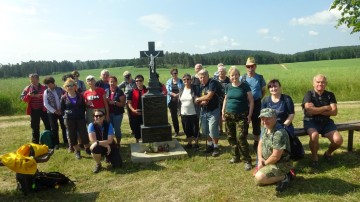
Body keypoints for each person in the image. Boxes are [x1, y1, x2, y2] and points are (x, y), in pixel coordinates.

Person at [302, 74, 343, 168]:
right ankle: (314, 157)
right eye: (318, 82)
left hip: (326, 122)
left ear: (326, 84)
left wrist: (316, 110)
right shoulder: (309, 94)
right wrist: (325, 108)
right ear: (313, 83)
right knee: (314, 135)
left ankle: (328, 153)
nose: (320, 84)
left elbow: (334, 112)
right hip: (311, 121)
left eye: (323, 82)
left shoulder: (330, 95)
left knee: (338, 140)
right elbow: (309, 110)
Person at [222, 66, 254, 170]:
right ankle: (235, 156)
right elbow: (225, 99)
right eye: (232, 75)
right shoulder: (227, 86)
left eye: (236, 74)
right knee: (230, 136)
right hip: (229, 115)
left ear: (239, 75)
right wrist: (223, 111)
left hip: (242, 116)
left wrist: (249, 114)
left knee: (241, 137)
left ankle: (247, 160)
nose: (234, 77)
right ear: (229, 76)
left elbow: (251, 101)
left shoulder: (245, 86)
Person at [254, 108, 293, 192]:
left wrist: (264, 164)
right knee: (258, 176)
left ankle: (286, 176)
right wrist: (260, 159)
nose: (264, 121)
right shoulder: (265, 128)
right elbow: (260, 144)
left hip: (280, 163)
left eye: (268, 118)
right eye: (262, 119)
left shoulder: (279, 133)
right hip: (267, 161)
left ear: (275, 118)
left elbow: (276, 157)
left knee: (259, 178)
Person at [60, 78, 90, 160]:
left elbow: (84, 107)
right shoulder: (63, 98)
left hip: (80, 118)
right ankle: (77, 151)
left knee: (83, 134)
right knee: (72, 135)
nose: (70, 87)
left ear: (75, 86)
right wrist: (66, 114)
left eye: (72, 85)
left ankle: (87, 148)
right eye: (68, 86)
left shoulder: (80, 96)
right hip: (69, 119)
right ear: (65, 87)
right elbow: (62, 110)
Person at [241, 57, 266, 152]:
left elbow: (263, 90)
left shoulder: (260, 78)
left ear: (255, 66)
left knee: (256, 123)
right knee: (244, 124)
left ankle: (256, 143)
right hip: (245, 104)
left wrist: (258, 97)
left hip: (256, 103)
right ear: (246, 67)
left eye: (252, 66)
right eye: (248, 66)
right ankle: (245, 143)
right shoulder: (242, 78)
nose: (250, 69)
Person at [195, 69, 222, 157]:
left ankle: (216, 147)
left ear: (208, 76)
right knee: (205, 129)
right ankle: (210, 145)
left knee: (213, 129)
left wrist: (199, 99)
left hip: (214, 110)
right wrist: (201, 101)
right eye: (200, 77)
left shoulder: (212, 82)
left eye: (204, 77)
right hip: (204, 110)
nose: (202, 79)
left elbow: (209, 95)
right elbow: (197, 97)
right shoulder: (200, 86)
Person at [20, 73, 51, 144]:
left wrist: (39, 96)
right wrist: (29, 95)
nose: (33, 82)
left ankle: (49, 141)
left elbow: (49, 96)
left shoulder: (44, 87)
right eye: (31, 81)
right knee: (35, 127)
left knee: (48, 125)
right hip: (33, 110)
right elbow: (23, 99)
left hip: (44, 110)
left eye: (34, 80)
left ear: (38, 79)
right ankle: (35, 143)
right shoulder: (27, 88)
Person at [88, 109, 116, 173]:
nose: (98, 117)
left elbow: (110, 140)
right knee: (94, 147)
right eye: (96, 116)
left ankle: (108, 157)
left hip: (110, 145)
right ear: (93, 117)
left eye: (100, 115)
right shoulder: (91, 125)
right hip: (101, 146)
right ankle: (98, 164)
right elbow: (92, 140)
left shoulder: (109, 124)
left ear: (104, 116)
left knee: (118, 165)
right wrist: (106, 145)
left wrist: (98, 143)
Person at [43, 76, 67, 149]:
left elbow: (65, 99)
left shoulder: (61, 89)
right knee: (54, 128)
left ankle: (66, 141)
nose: (48, 86)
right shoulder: (46, 92)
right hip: (51, 113)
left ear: (53, 83)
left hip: (61, 111)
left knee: (64, 126)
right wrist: (54, 111)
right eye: (47, 85)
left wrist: (60, 109)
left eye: (50, 84)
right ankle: (56, 143)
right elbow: (45, 103)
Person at [179, 73, 200, 148]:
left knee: (195, 129)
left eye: (188, 79)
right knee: (186, 129)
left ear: (191, 80)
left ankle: (196, 143)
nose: (186, 81)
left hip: (193, 112)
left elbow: (197, 97)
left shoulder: (194, 88)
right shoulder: (181, 89)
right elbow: (180, 100)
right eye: (184, 79)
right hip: (184, 113)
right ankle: (189, 143)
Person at [127, 75, 148, 143]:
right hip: (135, 113)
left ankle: (146, 142)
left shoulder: (147, 90)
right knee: (137, 130)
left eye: (140, 80)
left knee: (146, 129)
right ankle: (137, 143)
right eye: (137, 81)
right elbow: (129, 103)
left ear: (143, 81)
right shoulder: (132, 91)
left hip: (145, 114)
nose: (138, 82)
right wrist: (133, 110)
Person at [106, 76, 126, 145]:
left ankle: (118, 144)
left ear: (116, 82)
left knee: (117, 129)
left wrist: (114, 102)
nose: (112, 83)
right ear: (108, 82)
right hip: (108, 113)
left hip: (117, 114)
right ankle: (110, 143)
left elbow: (123, 104)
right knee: (109, 129)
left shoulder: (120, 92)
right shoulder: (106, 91)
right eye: (110, 81)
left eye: (114, 81)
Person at [166, 68, 184, 137]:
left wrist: (178, 95)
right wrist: (174, 95)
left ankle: (185, 130)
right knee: (174, 117)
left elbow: (183, 89)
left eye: (176, 73)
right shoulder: (168, 82)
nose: (175, 74)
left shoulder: (181, 81)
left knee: (183, 116)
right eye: (173, 73)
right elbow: (168, 90)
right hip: (171, 101)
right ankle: (177, 131)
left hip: (180, 101)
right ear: (171, 74)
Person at [118, 71, 137, 135]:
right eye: (126, 77)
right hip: (128, 102)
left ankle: (138, 128)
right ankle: (133, 130)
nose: (128, 78)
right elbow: (117, 88)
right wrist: (121, 95)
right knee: (131, 117)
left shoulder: (136, 82)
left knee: (137, 115)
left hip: (136, 101)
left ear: (131, 75)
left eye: (128, 76)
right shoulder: (124, 83)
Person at [215, 65, 230, 135]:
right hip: (218, 100)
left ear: (225, 72)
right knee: (219, 116)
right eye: (219, 71)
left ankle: (227, 130)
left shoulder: (229, 80)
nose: (220, 72)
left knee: (227, 115)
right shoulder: (215, 80)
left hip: (227, 100)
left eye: (222, 71)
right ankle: (220, 129)